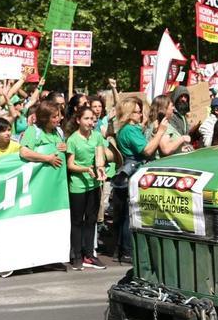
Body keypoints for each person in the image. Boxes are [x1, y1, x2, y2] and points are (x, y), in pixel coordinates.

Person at [109, 97, 163, 263]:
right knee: (130, 215)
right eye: (137, 112)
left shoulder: (127, 129)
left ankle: (123, 249)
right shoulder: (129, 130)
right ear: (129, 113)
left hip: (129, 172)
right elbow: (146, 150)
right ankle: (127, 251)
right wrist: (161, 132)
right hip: (133, 171)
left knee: (126, 214)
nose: (140, 115)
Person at [65, 105, 109, 271]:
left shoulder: (97, 136)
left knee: (91, 220)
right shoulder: (72, 140)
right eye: (87, 118)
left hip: (94, 183)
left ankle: (89, 255)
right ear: (78, 120)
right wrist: (85, 169)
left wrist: (100, 168)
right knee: (77, 221)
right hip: (77, 185)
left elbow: (99, 157)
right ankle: (77, 255)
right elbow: (71, 165)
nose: (91, 122)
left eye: (92, 119)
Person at [20, 101, 67, 169]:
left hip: (58, 177)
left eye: (58, 115)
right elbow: (24, 153)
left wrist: (65, 148)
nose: (57, 119)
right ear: (45, 119)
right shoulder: (33, 130)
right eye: (54, 117)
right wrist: (48, 158)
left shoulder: (59, 131)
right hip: (40, 177)